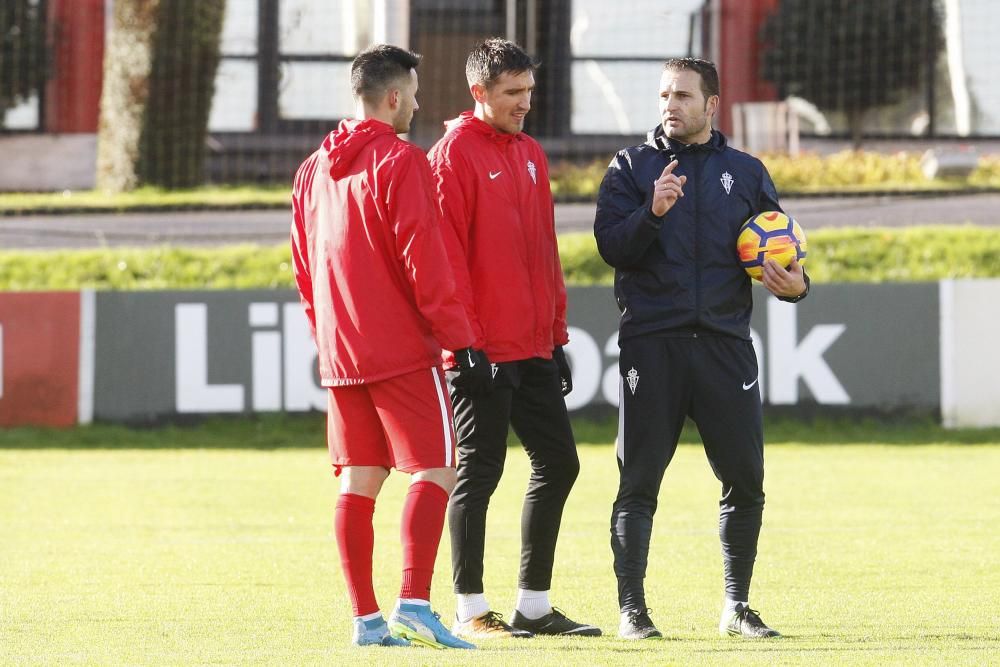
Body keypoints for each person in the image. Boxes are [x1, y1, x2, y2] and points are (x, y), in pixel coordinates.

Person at [594, 57, 809, 641]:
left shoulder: (744, 171)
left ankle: (737, 607)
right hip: (653, 345)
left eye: (684, 95)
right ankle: (632, 611)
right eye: (665, 94)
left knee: (745, 478)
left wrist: (797, 286)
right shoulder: (631, 167)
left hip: (724, 346)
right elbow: (612, 246)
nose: (671, 105)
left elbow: (783, 247)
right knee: (637, 481)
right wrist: (653, 212)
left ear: (712, 104)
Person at [290, 43, 493, 650]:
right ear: (395, 96)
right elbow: (424, 260)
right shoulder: (400, 161)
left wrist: (326, 339)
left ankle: (366, 620)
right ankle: (414, 603)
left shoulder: (311, 169)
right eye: (415, 92)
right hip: (403, 349)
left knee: (359, 479)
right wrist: (461, 339)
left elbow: (305, 267)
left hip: (342, 354)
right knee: (438, 467)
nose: (420, 104)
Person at [427, 38, 601, 640]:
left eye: (529, 90)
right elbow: (444, 258)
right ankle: (470, 610)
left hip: (532, 346)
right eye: (513, 93)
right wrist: (464, 344)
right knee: (480, 470)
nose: (526, 103)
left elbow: (543, 253)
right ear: (479, 92)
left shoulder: (531, 153)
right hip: (481, 350)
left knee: (559, 462)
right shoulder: (451, 156)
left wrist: (556, 337)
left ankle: (533, 605)